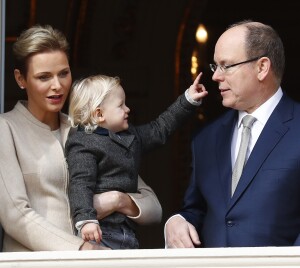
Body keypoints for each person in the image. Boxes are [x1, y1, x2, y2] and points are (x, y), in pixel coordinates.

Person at [0, 24, 163, 252]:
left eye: (63, 73)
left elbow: (152, 206)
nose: (57, 86)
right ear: (21, 79)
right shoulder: (6, 129)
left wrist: (117, 199)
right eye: (44, 77)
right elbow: (14, 215)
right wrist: (83, 250)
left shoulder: (88, 130)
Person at [165, 19, 300, 248]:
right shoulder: (206, 138)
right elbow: (198, 210)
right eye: (215, 66)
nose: (216, 76)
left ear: (262, 67)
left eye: (226, 66)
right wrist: (177, 222)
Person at [65, 73, 208, 249]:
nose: (128, 109)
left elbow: (159, 129)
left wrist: (187, 100)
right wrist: (86, 220)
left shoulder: (131, 136)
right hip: (100, 233)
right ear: (99, 114)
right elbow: (80, 183)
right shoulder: (83, 143)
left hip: (128, 232)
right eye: (120, 105)